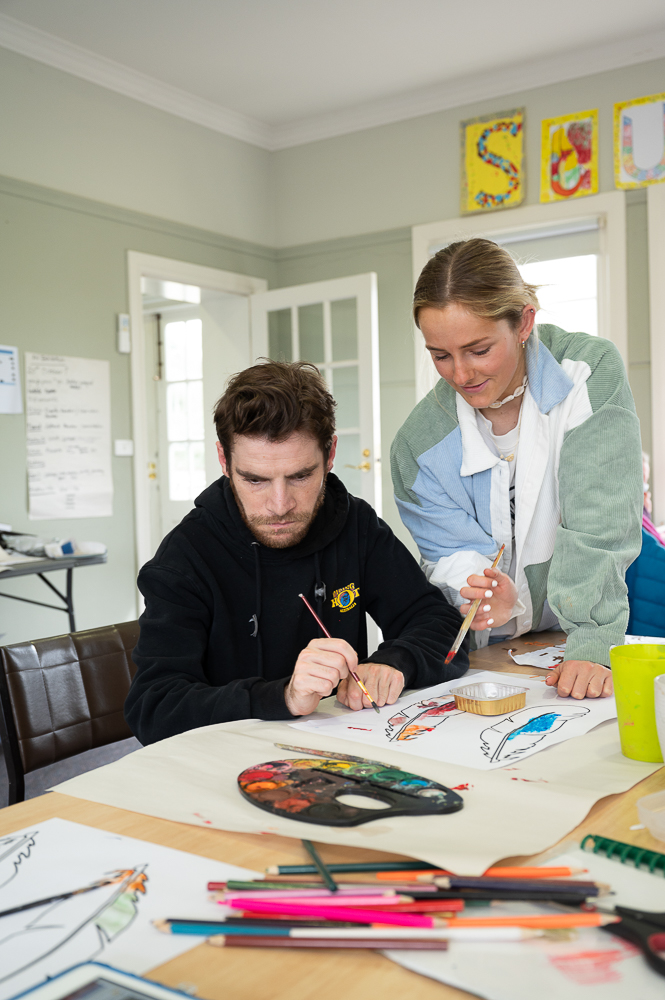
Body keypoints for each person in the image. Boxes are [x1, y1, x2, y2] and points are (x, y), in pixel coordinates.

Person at [125, 360, 467, 745]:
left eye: (301, 476)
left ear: (331, 453)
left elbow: (437, 621)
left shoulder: (353, 523)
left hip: (344, 751)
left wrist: (395, 662)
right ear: (224, 461)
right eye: (255, 479)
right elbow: (152, 708)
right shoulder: (186, 556)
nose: (279, 504)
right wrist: (283, 696)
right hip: (224, 763)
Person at [391, 238, 643, 700]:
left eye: (479, 349)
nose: (461, 374)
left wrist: (592, 643)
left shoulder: (588, 372)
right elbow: (449, 552)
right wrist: (489, 594)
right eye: (440, 355)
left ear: (524, 320)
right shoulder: (417, 445)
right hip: (494, 655)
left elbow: (600, 523)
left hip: (590, 630)